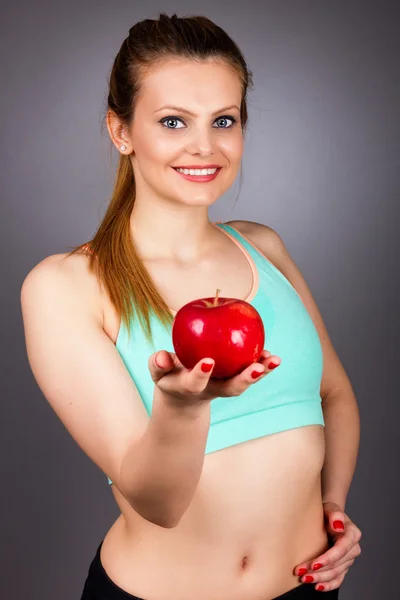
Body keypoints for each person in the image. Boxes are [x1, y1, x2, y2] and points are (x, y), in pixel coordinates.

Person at [20, 12, 361, 600]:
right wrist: (181, 407)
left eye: (224, 121)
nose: (205, 147)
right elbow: (158, 503)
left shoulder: (263, 248)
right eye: (173, 121)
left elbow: (335, 393)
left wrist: (332, 513)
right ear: (121, 130)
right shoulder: (66, 286)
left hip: (309, 590)